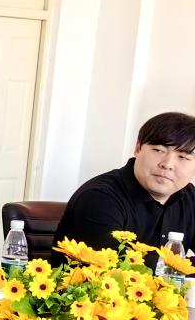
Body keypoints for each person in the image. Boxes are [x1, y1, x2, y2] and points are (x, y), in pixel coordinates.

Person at [52, 112, 195, 267]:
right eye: (158, 150)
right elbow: (119, 264)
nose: (167, 164)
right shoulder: (99, 197)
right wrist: (181, 268)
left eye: (183, 157)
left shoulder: (190, 197)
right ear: (138, 148)